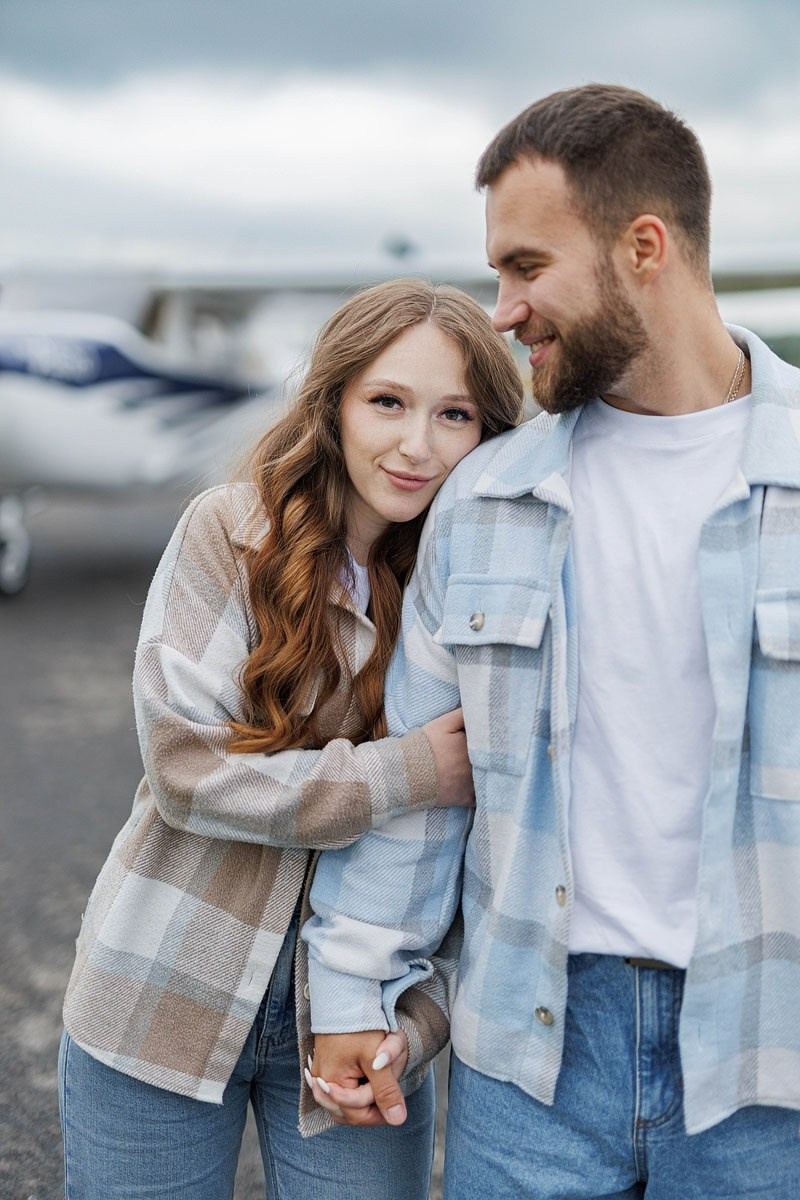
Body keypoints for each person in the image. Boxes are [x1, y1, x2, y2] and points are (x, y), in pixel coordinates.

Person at [303, 85, 800, 1198]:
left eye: (526, 267)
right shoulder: (484, 499)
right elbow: (426, 784)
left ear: (642, 247)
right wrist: (350, 995)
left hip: (771, 1072)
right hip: (526, 1068)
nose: (503, 309)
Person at [57, 277, 523, 1200]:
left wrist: (415, 1030)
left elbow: (488, 852)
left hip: (356, 1028)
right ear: (334, 401)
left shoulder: (475, 593)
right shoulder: (230, 533)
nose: (416, 445)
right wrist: (409, 770)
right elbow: (190, 771)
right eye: (387, 401)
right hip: (160, 992)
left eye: (456, 414)